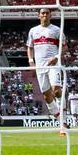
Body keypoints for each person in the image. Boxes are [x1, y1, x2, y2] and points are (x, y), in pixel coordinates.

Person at [26, 8, 67, 136]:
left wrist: (56, 57)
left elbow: (65, 46)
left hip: (53, 63)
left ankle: (63, 120)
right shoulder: (33, 30)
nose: (44, 15)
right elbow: (30, 47)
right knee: (47, 96)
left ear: (50, 15)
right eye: (42, 13)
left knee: (56, 90)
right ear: (39, 16)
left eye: (47, 13)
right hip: (40, 66)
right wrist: (31, 61)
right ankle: (59, 118)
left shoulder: (57, 30)